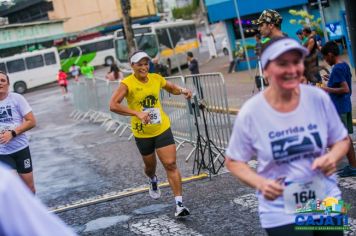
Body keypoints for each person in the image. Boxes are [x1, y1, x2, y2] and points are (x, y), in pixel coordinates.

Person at [226, 37, 349, 235]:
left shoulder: (317, 98)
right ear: (265, 70)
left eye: (296, 62)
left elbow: (341, 140)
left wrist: (332, 157)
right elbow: (233, 161)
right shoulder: (252, 111)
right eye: (282, 64)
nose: (292, 70)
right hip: (281, 210)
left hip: (325, 199)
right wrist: (261, 183)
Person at [109, 51, 192, 217]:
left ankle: (179, 204)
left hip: (161, 128)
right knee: (150, 167)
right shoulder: (127, 83)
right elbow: (113, 105)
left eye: (146, 63)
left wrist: (183, 90)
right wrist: (136, 113)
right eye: (139, 64)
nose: (143, 67)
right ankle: (153, 179)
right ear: (132, 66)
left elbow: (171, 87)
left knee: (170, 164)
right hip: (142, 133)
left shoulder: (155, 78)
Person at [0, 163, 76, 236]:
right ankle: (27, 219)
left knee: (30, 190)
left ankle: (29, 218)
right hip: (4, 155)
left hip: (19, 150)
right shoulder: (4, 180)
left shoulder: (4, 179)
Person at [321, 41, 356, 177]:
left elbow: (345, 88)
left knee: (343, 138)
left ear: (330, 54)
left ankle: (353, 166)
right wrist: (331, 79)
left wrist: (326, 88)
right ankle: (352, 165)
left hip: (339, 107)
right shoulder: (344, 65)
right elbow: (344, 82)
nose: (325, 60)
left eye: (325, 57)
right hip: (345, 105)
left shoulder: (337, 68)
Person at [0, 71, 37, 193]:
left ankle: (30, 211)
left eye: (2, 80)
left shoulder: (17, 98)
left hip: (21, 149)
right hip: (3, 153)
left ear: (8, 84)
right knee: (12, 189)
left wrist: (12, 133)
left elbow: (31, 121)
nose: (0, 83)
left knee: (30, 188)